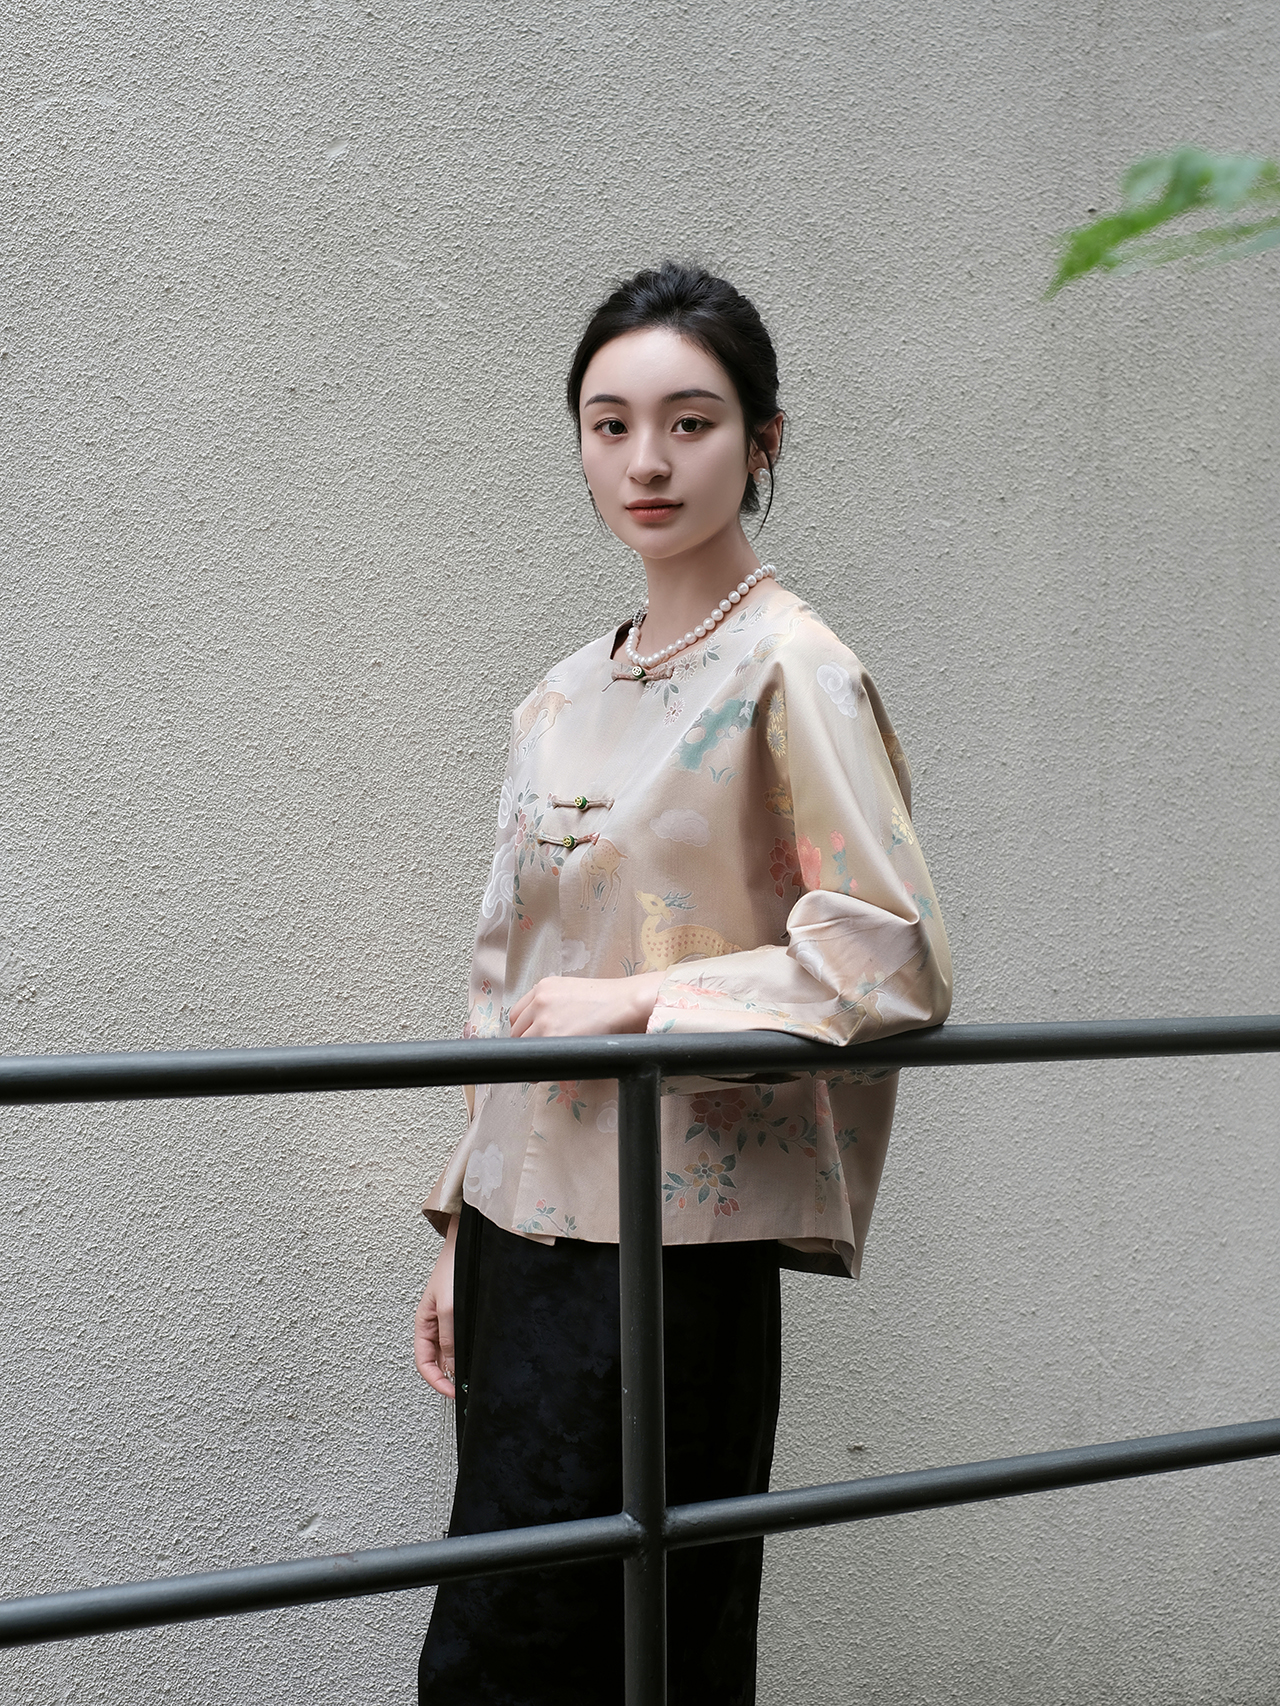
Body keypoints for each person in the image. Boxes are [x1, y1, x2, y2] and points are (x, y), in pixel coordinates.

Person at [413, 261, 952, 1705]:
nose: (646, 461)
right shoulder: (559, 696)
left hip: (673, 1243)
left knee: (636, 1641)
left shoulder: (794, 670)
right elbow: (506, 974)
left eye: (690, 422)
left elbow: (888, 948)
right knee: (507, 1626)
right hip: (524, 1238)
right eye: (611, 425)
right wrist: (460, 1222)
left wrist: (648, 1003)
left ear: (763, 439)